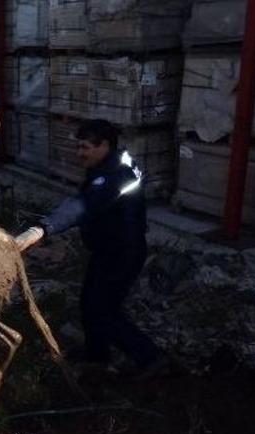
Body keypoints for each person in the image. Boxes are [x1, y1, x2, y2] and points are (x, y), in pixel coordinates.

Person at [16, 119, 161, 372]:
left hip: (123, 253)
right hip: (107, 250)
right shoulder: (111, 165)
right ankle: (97, 354)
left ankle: (150, 359)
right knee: (88, 303)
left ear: (104, 145)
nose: (79, 153)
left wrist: (44, 228)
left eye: (85, 147)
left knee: (103, 310)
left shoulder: (118, 176)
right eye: (78, 147)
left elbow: (83, 205)